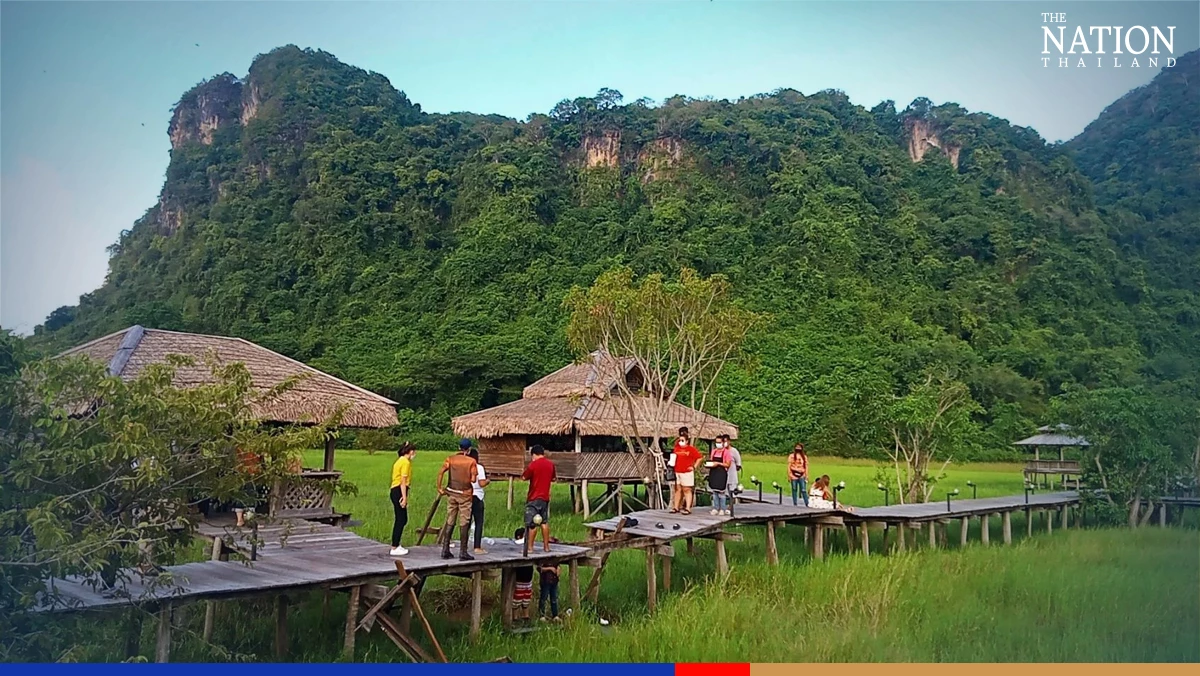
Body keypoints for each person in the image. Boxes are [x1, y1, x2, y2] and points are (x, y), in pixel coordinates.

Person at [436, 439, 478, 561]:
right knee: (464, 521)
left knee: (450, 519)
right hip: (465, 495)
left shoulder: (450, 459)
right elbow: (473, 480)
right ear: (469, 449)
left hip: (451, 493)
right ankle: (463, 552)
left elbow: (440, 472)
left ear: (459, 447)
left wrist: (440, 488)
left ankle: (445, 549)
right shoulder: (471, 461)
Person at [521, 445, 556, 556]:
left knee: (532, 524)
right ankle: (546, 547)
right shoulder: (550, 465)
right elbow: (553, 478)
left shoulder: (533, 465)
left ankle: (530, 547)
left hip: (534, 497)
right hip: (545, 498)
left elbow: (524, 477)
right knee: (544, 522)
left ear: (534, 454)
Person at [389, 442, 416, 556]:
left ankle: (396, 544)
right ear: (410, 452)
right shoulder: (405, 462)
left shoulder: (399, 460)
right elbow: (403, 482)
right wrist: (404, 498)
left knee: (402, 519)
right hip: (399, 490)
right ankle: (394, 547)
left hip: (395, 490)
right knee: (401, 519)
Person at [467, 448, 490, 554]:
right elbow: (481, 483)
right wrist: (488, 481)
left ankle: (464, 545)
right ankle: (477, 547)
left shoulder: (465, 467)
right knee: (478, 522)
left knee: (465, 522)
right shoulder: (479, 467)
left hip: (466, 495)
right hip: (477, 496)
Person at [671, 435, 702, 515]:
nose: (680, 442)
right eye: (680, 440)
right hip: (678, 471)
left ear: (687, 441)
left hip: (687, 472)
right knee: (678, 489)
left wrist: (694, 467)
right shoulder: (676, 449)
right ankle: (676, 507)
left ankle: (688, 508)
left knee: (687, 489)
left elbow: (699, 457)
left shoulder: (691, 449)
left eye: (682, 440)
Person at [512, 528, 534, 621]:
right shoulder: (517, 546)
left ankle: (526, 616)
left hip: (528, 580)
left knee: (526, 600)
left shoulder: (529, 546)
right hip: (519, 579)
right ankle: (515, 617)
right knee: (517, 600)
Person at [707, 440, 732, 515]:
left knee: (721, 492)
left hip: (721, 473)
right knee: (714, 492)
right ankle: (716, 508)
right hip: (713, 472)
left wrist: (718, 463)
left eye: (719, 442)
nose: (718, 444)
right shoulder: (714, 451)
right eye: (716, 442)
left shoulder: (726, 452)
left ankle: (722, 508)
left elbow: (728, 464)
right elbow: (711, 461)